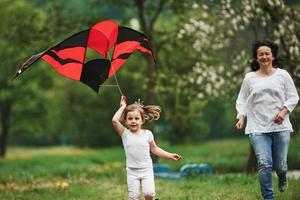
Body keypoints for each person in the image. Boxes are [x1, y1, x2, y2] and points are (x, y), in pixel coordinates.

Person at [235, 39, 299, 200]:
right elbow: (241, 100)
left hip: (281, 127)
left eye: (267, 53)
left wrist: (283, 112)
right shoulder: (249, 78)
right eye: (260, 54)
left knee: (281, 166)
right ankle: (268, 197)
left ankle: (282, 176)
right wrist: (241, 117)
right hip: (257, 128)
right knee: (264, 163)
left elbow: (293, 97)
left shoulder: (283, 75)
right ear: (256, 58)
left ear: (273, 56)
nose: (264, 57)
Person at [112, 96, 182, 200]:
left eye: (136, 118)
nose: (133, 121)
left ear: (142, 120)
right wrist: (123, 107)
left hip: (146, 169)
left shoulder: (147, 134)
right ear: (125, 121)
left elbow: (154, 149)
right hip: (132, 171)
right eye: (130, 118)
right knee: (134, 197)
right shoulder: (124, 133)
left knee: (149, 194)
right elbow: (114, 120)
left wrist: (169, 155)